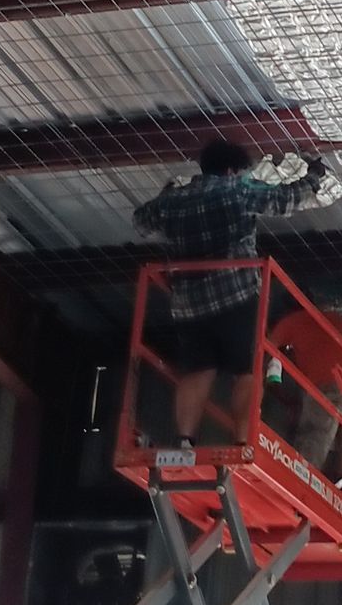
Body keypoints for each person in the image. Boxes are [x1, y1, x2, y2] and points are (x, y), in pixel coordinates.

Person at [134, 139, 328, 442]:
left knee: (198, 371)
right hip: (235, 297)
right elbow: (284, 200)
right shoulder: (236, 189)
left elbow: (141, 222)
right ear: (230, 170)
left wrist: (167, 194)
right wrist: (314, 174)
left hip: (189, 306)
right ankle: (242, 440)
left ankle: (185, 440)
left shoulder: (175, 200)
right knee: (247, 371)